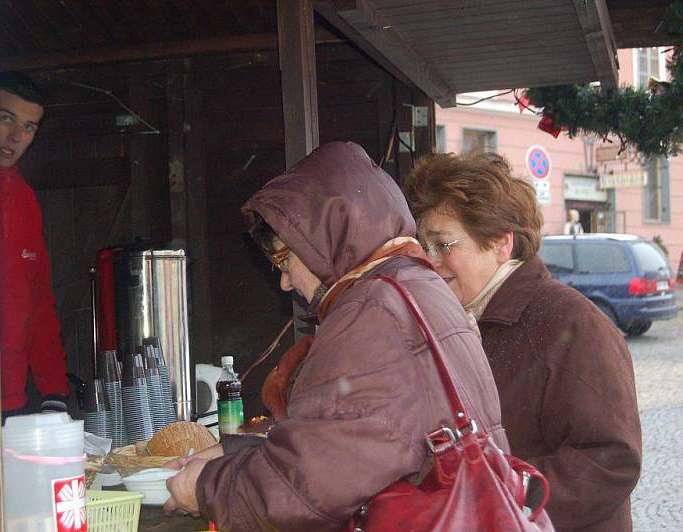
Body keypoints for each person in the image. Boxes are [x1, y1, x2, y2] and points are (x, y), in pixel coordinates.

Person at [163, 142, 509, 530]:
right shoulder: (414, 286)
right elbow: (361, 437)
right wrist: (234, 452)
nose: (284, 281)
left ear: (322, 240)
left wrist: (209, 487)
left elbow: (314, 485)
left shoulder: (371, 310)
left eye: (283, 259)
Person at [408, 152, 641, 531]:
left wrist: (494, 495)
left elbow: (611, 460)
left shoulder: (573, 324)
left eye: (443, 244)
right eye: (425, 246)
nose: (430, 260)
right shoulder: (456, 319)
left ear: (502, 243)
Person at [0, 72, 69, 418]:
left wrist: (54, 389)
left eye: (29, 127)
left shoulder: (25, 199)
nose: (15, 137)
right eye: (5, 118)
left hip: (12, 397)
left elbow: (39, 300)